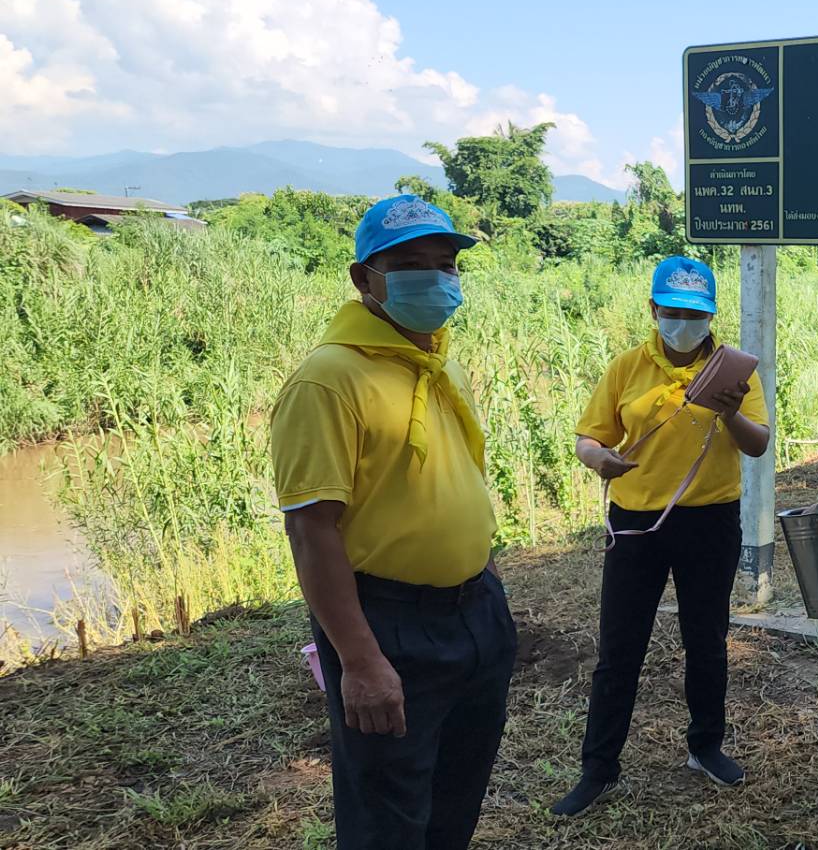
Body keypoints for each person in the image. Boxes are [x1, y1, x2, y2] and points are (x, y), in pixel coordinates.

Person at [269, 195, 516, 849]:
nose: (434, 278)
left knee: (456, 798)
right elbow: (312, 529)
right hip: (388, 625)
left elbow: (457, 478)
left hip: (475, 612)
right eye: (409, 265)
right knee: (388, 817)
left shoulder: (439, 362)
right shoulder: (329, 380)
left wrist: (486, 579)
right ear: (364, 279)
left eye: (446, 264)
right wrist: (360, 660)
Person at [550, 256, 772, 816]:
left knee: (707, 640)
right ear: (653, 309)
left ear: (711, 315)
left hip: (710, 520)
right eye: (673, 312)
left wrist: (729, 413)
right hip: (635, 524)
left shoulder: (733, 371)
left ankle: (706, 746)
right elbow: (588, 437)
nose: (684, 324)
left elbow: (758, 444)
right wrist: (599, 459)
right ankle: (598, 768)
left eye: (696, 315)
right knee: (619, 648)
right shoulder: (626, 368)